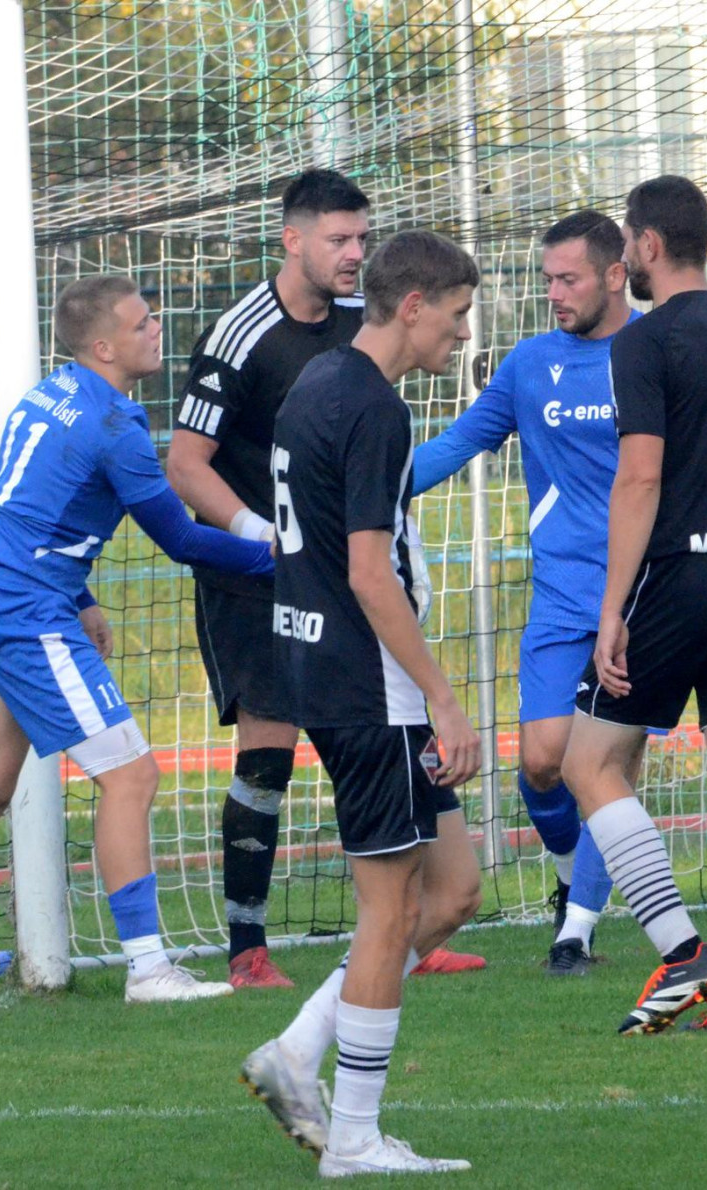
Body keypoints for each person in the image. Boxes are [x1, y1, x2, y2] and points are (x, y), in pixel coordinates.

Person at [0, 275, 274, 1011]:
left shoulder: (46, 395)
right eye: (141, 323)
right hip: (24, 611)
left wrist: (82, 596)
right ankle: (148, 969)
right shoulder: (113, 425)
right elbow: (180, 539)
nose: (156, 329)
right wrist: (278, 558)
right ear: (103, 346)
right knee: (132, 778)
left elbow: (26, 508)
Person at [168, 168, 483, 987]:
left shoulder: (357, 336)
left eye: (362, 239)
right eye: (338, 239)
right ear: (293, 240)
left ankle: (406, 927)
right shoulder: (242, 335)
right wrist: (259, 537)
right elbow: (185, 464)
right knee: (269, 759)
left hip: (342, 584)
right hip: (263, 582)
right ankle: (251, 945)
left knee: (415, 856)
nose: (352, 254)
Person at [239, 231, 483, 1175]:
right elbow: (369, 574)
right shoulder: (375, 407)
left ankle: (298, 1051)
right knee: (389, 910)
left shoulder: (320, 380)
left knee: (452, 891)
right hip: (370, 687)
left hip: (329, 672)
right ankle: (353, 1139)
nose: (462, 332)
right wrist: (443, 699)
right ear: (413, 305)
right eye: (457, 313)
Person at [561, 175, 707, 1034]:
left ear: (649, 246)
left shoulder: (645, 340)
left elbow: (641, 478)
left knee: (590, 765)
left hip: (683, 574)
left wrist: (613, 607)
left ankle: (683, 953)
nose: (624, 256)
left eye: (627, 242)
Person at [410, 210, 634, 974]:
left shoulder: (654, 352)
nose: (555, 294)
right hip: (561, 597)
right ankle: (573, 882)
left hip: (643, 596)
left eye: (569, 279)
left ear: (615, 274)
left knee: (601, 766)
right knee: (542, 764)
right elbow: (460, 440)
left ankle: (576, 933)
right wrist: (369, 485)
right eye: (548, 280)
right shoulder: (531, 363)